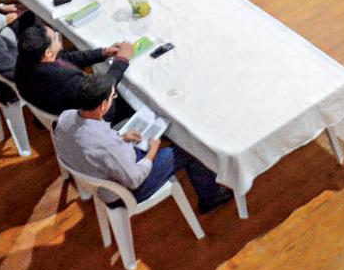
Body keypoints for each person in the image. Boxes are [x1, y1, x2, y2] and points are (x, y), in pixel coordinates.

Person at [54, 71, 233, 213]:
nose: (112, 100)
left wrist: (120, 138)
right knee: (187, 150)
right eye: (112, 97)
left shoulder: (65, 117)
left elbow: (92, 145)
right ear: (103, 105)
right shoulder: (106, 145)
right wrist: (152, 152)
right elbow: (135, 180)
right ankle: (211, 196)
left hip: (97, 173)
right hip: (126, 192)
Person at [15, 24, 134, 120]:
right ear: (48, 52)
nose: (58, 35)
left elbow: (65, 58)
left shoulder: (26, 57)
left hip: (50, 103)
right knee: (132, 98)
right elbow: (101, 91)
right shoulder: (66, 80)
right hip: (91, 114)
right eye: (55, 37)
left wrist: (104, 52)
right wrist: (122, 60)